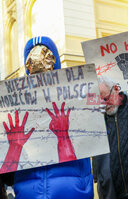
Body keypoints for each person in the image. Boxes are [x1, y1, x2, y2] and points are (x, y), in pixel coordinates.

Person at [11, 36, 93, 199]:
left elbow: (94, 138)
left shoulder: (77, 97)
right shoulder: (17, 109)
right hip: (30, 189)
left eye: (45, 57)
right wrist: (14, 146)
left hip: (71, 189)